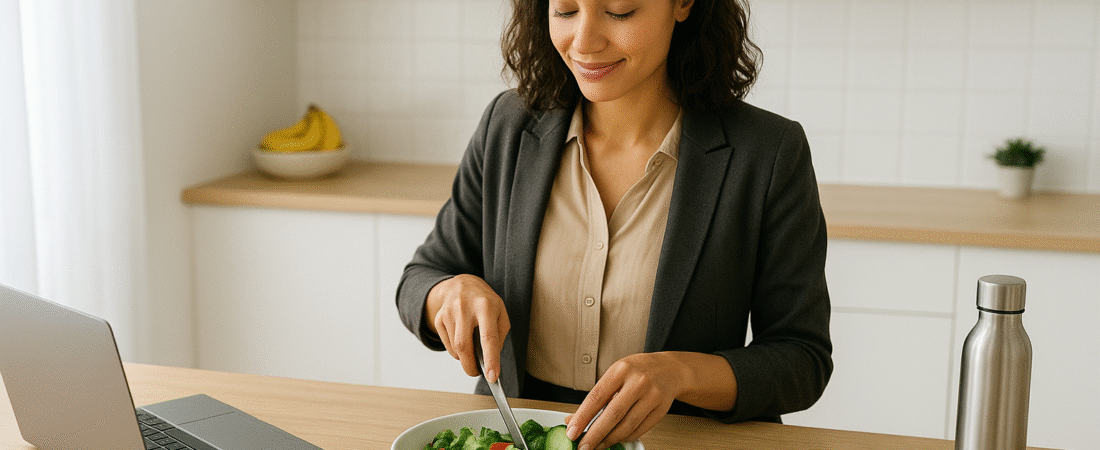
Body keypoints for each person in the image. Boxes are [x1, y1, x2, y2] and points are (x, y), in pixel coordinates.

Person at [397, 0, 832, 449]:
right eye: (565, 11)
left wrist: (681, 373)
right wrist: (448, 293)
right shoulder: (507, 127)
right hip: (515, 436)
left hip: (676, 440)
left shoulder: (768, 152)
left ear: (683, 4)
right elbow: (421, 278)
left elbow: (803, 359)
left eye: (620, 12)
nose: (584, 42)